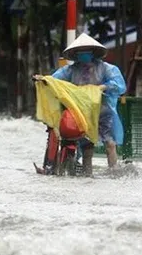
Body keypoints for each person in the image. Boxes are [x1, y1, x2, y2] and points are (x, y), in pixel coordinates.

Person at [35, 33, 126, 176]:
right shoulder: (71, 70)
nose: (83, 55)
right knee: (86, 147)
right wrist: (43, 79)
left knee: (110, 143)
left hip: (103, 112)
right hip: (81, 113)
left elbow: (119, 84)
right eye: (80, 53)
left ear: (93, 53)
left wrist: (103, 87)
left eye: (87, 52)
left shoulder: (106, 68)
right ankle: (86, 176)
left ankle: (114, 174)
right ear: (76, 55)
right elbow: (55, 80)